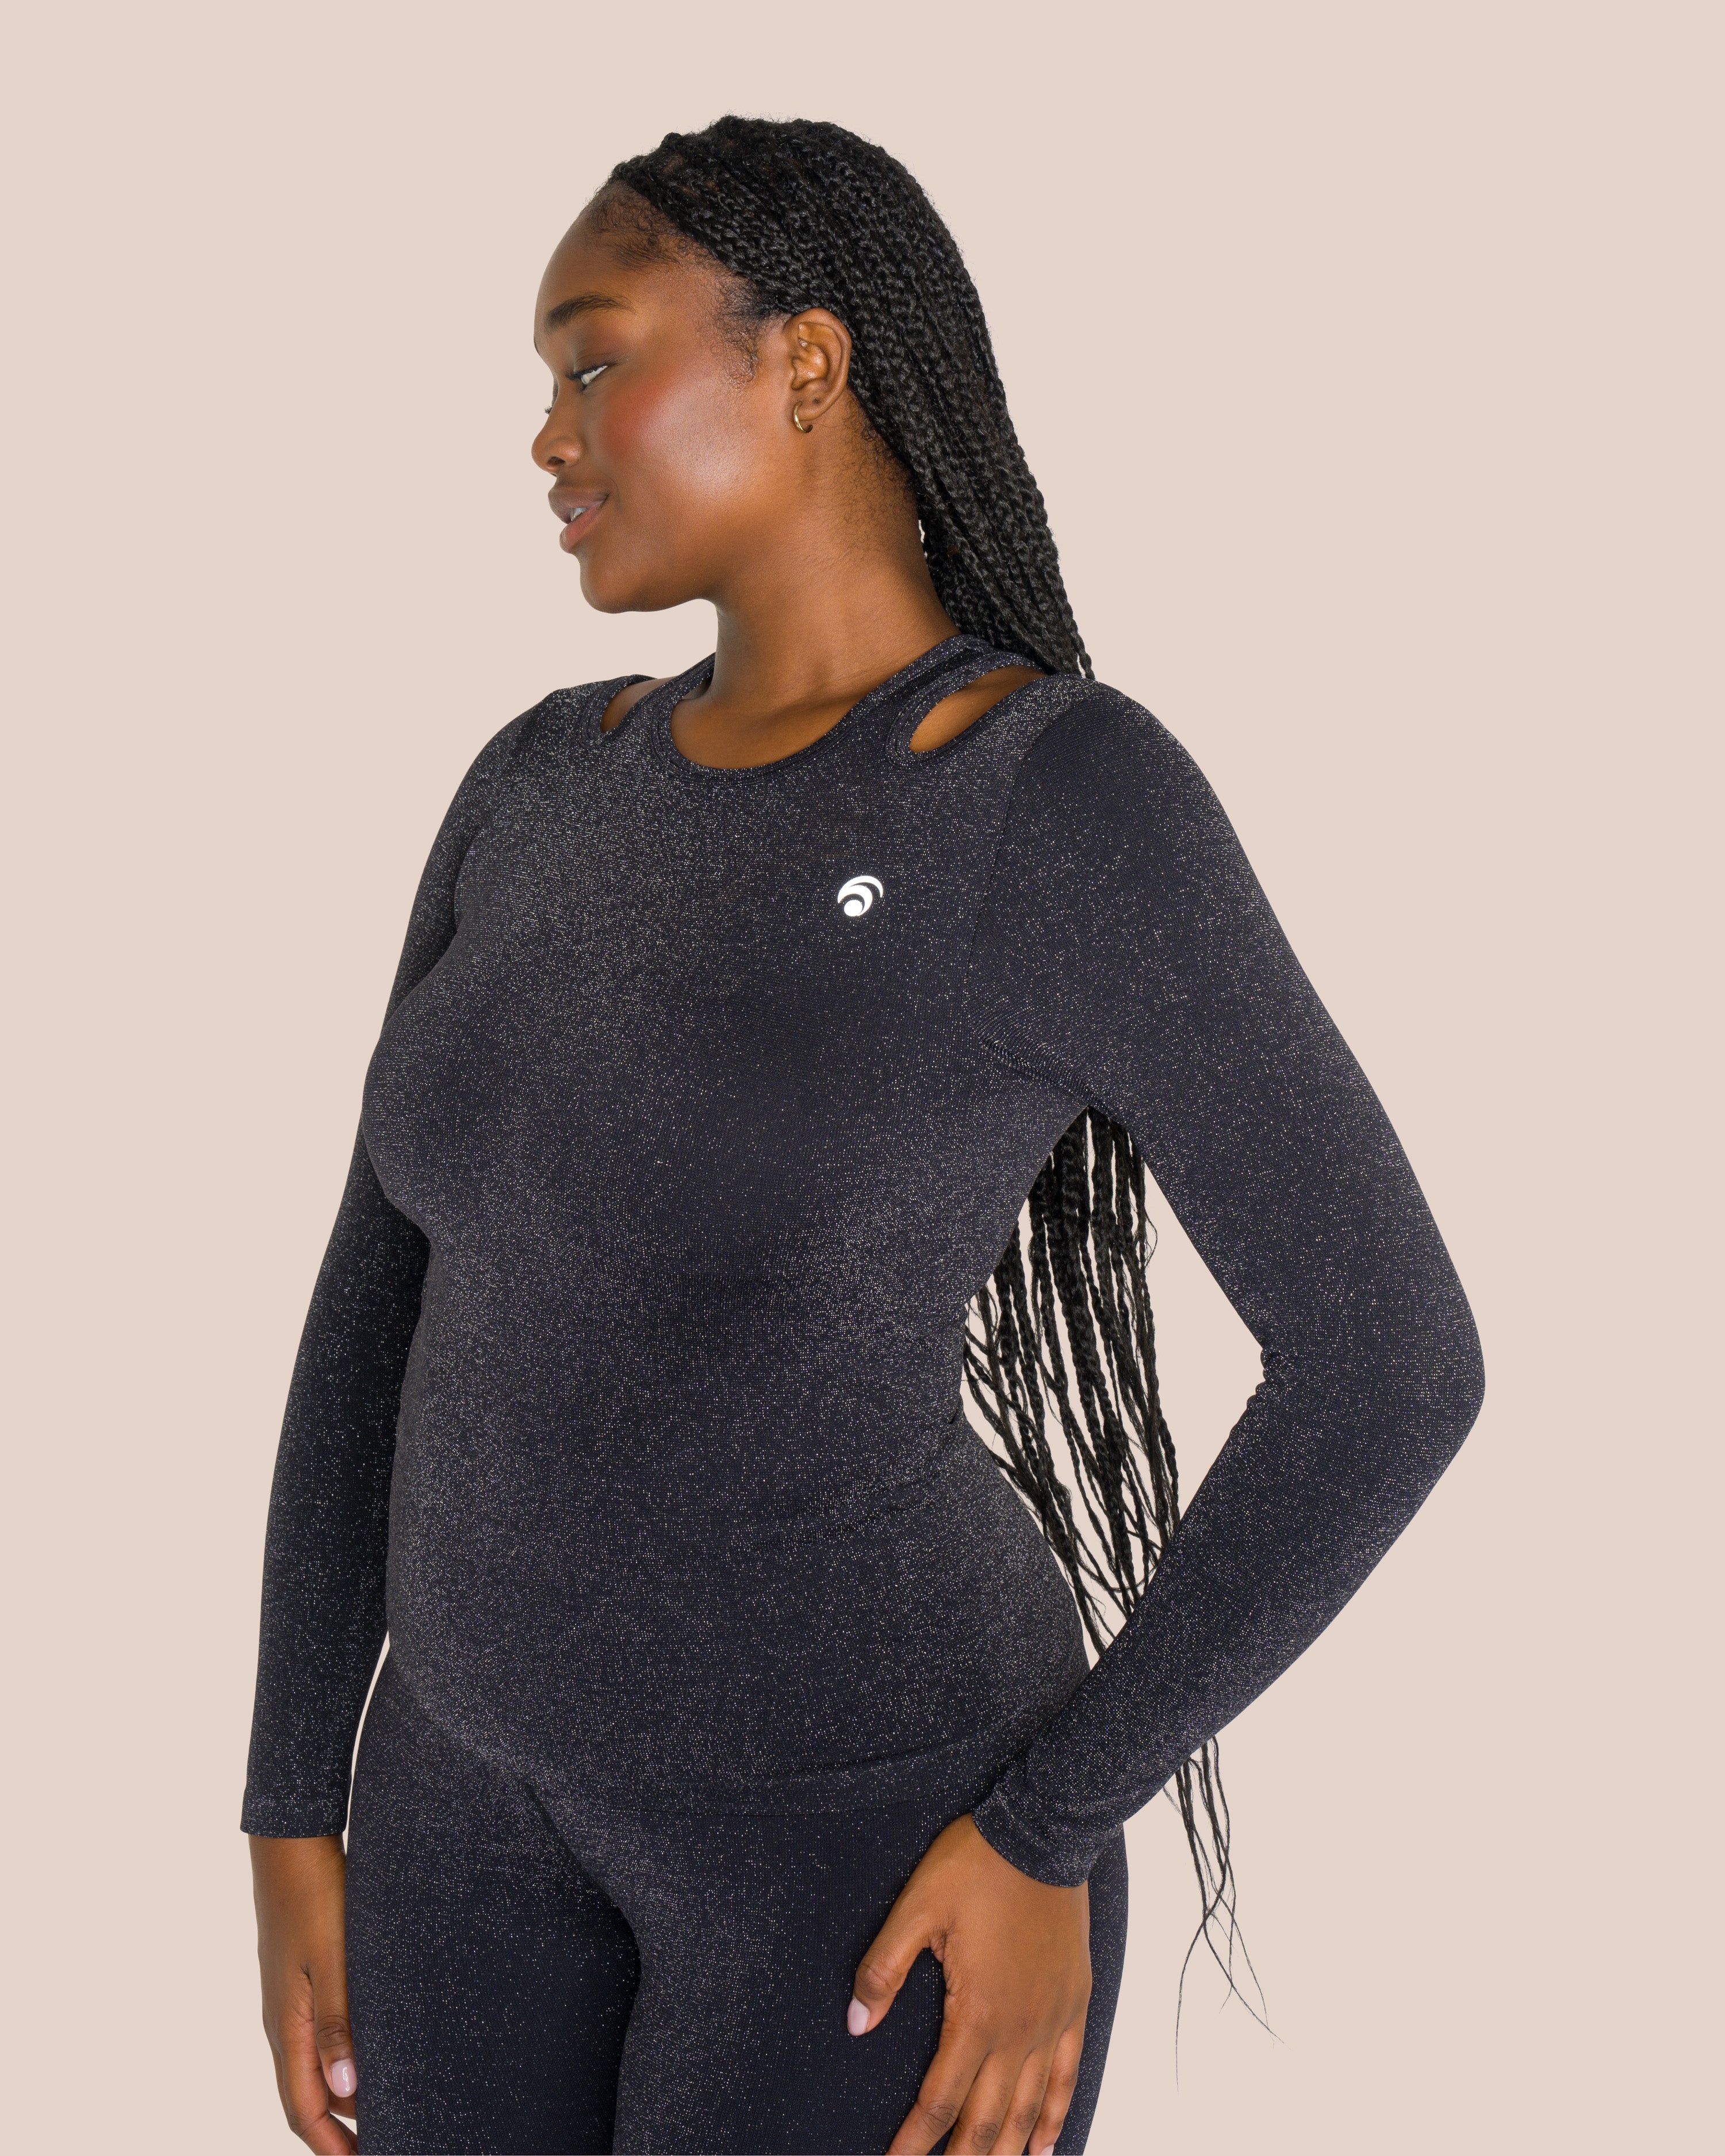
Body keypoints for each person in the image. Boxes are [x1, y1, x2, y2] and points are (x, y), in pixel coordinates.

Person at [243, 116, 1485, 2156]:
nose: (548, 437)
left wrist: (1052, 1825)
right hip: (457, 1815)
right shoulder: (536, 785)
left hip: (866, 1861)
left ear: (807, 361)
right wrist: (293, 1801)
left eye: (593, 360)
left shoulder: (1054, 801)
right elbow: (373, 1299)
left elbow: (1392, 1361)